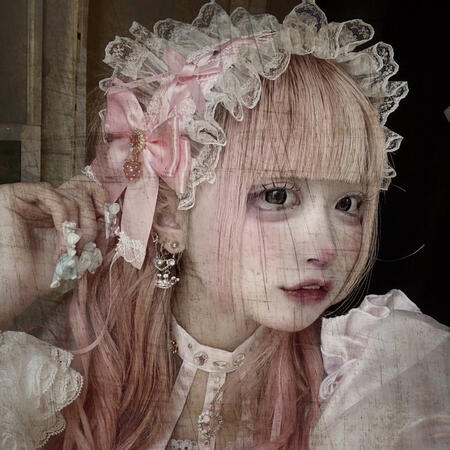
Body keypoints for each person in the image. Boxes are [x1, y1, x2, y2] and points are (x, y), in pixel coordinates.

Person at [0, 1, 449, 449]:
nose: (324, 246)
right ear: (169, 216)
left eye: (348, 203)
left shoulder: (369, 367)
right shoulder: (72, 356)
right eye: (277, 196)